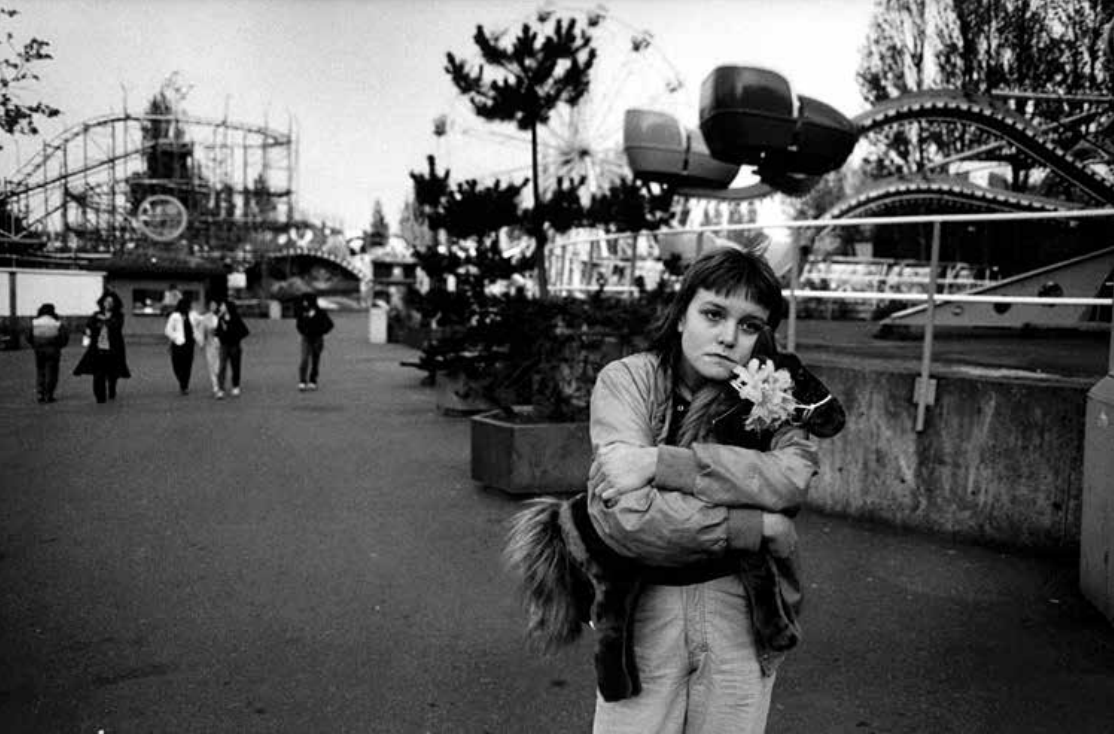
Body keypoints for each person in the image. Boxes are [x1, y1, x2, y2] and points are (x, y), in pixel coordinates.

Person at [586, 247, 819, 733]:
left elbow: (790, 478)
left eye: (750, 325)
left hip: (743, 606)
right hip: (644, 607)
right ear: (680, 315)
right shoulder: (627, 380)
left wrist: (659, 463)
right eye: (713, 314)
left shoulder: (774, 390)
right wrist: (757, 524)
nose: (729, 336)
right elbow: (627, 517)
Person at [72, 290, 131, 404]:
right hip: (98, 349)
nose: (108, 303)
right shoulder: (95, 315)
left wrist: (102, 321)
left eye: (111, 302)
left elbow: (116, 326)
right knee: (98, 374)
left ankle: (112, 389)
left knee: (112, 373)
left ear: (115, 304)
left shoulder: (119, 316)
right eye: (106, 301)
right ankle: (100, 397)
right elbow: (89, 326)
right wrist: (88, 330)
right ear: (102, 302)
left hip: (113, 349)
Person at [26, 303, 69, 403]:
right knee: (52, 372)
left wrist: (34, 344)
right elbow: (64, 337)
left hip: (39, 350)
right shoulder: (56, 323)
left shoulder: (35, 322)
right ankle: (49, 394)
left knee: (40, 371)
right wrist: (59, 346)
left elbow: (28, 336)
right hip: (53, 350)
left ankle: (40, 393)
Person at [295, 293, 333, 391]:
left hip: (317, 338)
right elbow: (298, 325)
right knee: (304, 359)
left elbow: (330, 325)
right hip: (306, 338)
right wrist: (303, 331)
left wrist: (321, 331)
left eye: (306, 301)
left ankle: (313, 380)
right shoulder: (302, 312)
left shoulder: (320, 313)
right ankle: (302, 381)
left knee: (315, 360)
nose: (304, 303)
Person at [164, 297, 198, 395]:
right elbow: (168, 330)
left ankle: (184, 386)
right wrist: (175, 337)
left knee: (187, 365)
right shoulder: (174, 316)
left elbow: (200, 322)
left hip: (189, 344)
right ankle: (181, 380)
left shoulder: (192, 315)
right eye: (189, 305)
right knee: (176, 365)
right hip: (178, 345)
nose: (190, 307)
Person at [216, 299, 249, 397]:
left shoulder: (235, 317)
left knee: (235, 366)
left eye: (222, 305)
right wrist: (221, 335)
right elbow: (218, 332)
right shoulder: (221, 318)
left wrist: (232, 334)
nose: (221, 307)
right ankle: (221, 388)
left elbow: (244, 331)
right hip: (224, 346)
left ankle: (235, 386)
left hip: (234, 345)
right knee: (221, 367)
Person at [195, 298, 223, 399]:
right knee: (212, 366)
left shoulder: (222, 316)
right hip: (210, 344)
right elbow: (199, 331)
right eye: (211, 305)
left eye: (214, 305)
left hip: (222, 344)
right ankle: (216, 387)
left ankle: (220, 385)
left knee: (220, 366)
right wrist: (201, 342)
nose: (213, 307)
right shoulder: (206, 318)